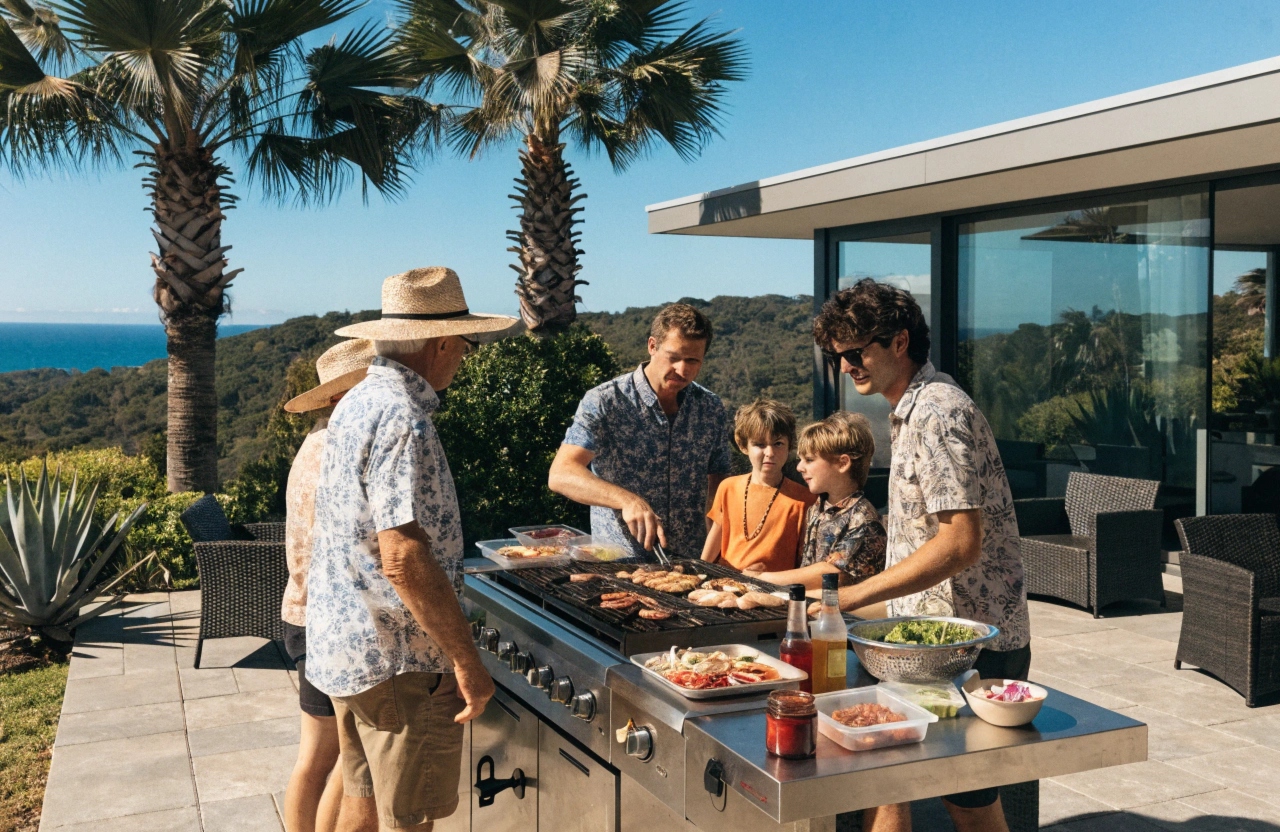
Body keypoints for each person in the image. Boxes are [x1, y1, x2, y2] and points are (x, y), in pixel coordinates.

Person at [812, 278, 1030, 832]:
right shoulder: (912, 409)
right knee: (889, 780)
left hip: (969, 649)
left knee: (966, 807)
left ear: (900, 341)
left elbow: (960, 542)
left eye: (855, 352)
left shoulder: (936, 411)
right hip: (930, 645)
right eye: (838, 357)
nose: (846, 367)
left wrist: (849, 597)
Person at [306, 267, 519, 832]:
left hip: (349, 650)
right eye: (466, 344)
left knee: (363, 800)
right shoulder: (404, 417)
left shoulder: (357, 401)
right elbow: (402, 555)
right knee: (409, 818)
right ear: (441, 342)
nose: (465, 358)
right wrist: (466, 662)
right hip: (399, 662)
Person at [279, 338, 375, 832]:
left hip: (304, 611)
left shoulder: (314, 442)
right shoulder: (338, 446)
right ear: (340, 397)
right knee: (341, 756)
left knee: (323, 757)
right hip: (325, 618)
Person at [549, 303, 731, 560]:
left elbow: (720, 482)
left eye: (693, 361)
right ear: (652, 346)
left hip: (692, 564)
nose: (682, 370)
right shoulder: (605, 401)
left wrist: (717, 551)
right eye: (674, 357)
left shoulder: (710, 407)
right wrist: (627, 501)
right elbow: (561, 474)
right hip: (620, 563)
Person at [748, 411, 885, 591]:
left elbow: (831, 573)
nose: (799, 467)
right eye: (801, 459)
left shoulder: (862, 519)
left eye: (809, 460)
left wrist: (764, 579)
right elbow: (807, 565)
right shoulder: (817, 508)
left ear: (842, 463)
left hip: (847, 608)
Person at [700, 399, 815, 572]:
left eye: (778, 444)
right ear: (743, 446)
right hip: (726, 582)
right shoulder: (728, 488)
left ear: (789, 445)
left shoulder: (805, 499)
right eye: (760, 444)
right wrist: (700, 571)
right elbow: (716, 537)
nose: (770, 453)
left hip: (773, 586)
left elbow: (804, 562)